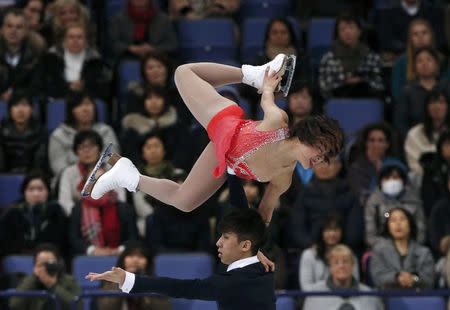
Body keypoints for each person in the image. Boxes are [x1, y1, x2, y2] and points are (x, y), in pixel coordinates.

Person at [86, 54, 343, 226]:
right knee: (183, 73)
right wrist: (265, 84)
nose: (321, 159)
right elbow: (267, 100)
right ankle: (251, 73)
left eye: (326, 156)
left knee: (184, 201)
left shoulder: (284, 178)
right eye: (321, 149)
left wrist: (254, 251)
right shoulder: (279, 123)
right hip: (226, 123)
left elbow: (263, 217)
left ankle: (127, 176)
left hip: (226, 157)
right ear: (309, 136)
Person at [86, 208, 276, 310]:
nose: (218, 243)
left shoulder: (233, 282)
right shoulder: (263, 271)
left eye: (225, 238)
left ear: (245, 245)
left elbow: (178, 287)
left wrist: (126, 279)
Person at [48, 90, 119, 177]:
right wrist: (81, 176)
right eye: (79, 105)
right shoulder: (59, 135)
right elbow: (58, 167)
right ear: (71, 111)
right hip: (70, 181)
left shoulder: (105, 131)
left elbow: (113, 160)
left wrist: (99, 175)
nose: (85, 109)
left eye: (88, 104)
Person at [0, 172, 67, 257]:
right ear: (24, 192)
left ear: (48, 191)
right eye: (31, 189)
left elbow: (61, 244)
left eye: (40, 189)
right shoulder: (12, 213)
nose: (36, 194)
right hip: (19, 259)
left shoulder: (57, 213)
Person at [318, 12, 384, 99]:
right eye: (343, 29)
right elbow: (324, 87)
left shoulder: (372, 57)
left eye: (351, 28)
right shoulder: (328, 58)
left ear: (359, 31)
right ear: (337, 33)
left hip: (366, 101)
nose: (347, 32)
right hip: (338, 102)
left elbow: (379, 85)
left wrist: (361, 82)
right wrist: (345, 82)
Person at [41, 22, 110, 99]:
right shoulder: (51, 58)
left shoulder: (95, 60)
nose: (75, 40)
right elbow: (46, 85)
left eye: (79, 37)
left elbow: (102, 87)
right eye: (71, 37)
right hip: (58, 100)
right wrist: (68, 86)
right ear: (64, 40)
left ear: (86, 41)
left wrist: (84, 86)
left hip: (87, 100)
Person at [303, 244, 382, 310]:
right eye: (336, 262)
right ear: (330, 266)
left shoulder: (370, 295)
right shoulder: (314, 294)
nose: (341, 266)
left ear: (352, 265)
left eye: (346, 261)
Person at [370, 207, 434, 289]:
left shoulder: (424, 252)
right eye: (393, 220)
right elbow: (378, 277)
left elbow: (429, 280)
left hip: (417, 296)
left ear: (410, 224)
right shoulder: (379, 251)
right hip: (387, 297)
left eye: (402, 219)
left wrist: (414, 278)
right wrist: (397, 278)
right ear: (388, 226)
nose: (398, 223)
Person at [365, 160, 425, 247]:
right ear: (380, 182)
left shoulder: (414, 201)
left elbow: (421, 232)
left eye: (395, 177)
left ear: (404, 181)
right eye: (387, 178)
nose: (391, 181)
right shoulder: (374, 203)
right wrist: (391, 249)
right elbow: (370, 236)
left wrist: (406, 247)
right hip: (381, 250)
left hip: (411, 249)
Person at [97, 241, 171, 310]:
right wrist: (122, 280)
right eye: (130, 256)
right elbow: (106, 307)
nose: (135, 260)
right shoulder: (108, 281)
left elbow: (164, 308)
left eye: (141, 256)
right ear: (123, 260)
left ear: (148, 262)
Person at [9, 243, 81, 310]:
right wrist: (34, 277)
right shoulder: (29, 281)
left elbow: (77, 306)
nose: (45, 268)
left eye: (49, 263)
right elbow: (14, 305)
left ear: (58, 263)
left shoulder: (69, 281)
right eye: (41, 264)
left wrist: (52, 285)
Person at [298, 214, 360, 291]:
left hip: (344, 298)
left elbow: (355, 284)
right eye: (328, 230)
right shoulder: (309, 255)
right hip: (316, 299)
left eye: (336, 229)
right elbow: (306, 288)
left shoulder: (350, 255)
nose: (332, 234)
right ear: (321, 232)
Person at [0, 8, 44, 100]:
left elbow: (38, 86)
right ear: (2, 30)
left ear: (26, 31)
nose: (13, 31)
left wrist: (15, 94)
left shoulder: (36, 53)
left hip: (25, 104)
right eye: (9, 26)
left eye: (19, 27)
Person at [404, 89, 449, 177]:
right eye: (432, 102)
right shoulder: (414, 133)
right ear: (426, 107)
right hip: (423, 180)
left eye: (441, 102)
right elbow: (414, 165)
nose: (436, 106)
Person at [0, 91, 46, 173]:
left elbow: (39, 163)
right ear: (10, 110)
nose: (20, 110)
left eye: (25, 105)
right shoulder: (2, 131)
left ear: (31, 109)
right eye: (16, 105)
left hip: (32, 177)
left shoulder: (40, 132)